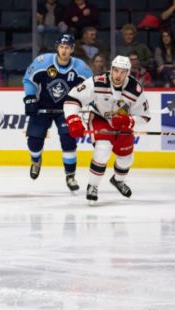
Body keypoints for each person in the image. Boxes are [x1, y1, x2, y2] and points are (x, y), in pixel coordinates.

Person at [63, 55, 151, 204]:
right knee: (103, 149)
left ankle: (118, 181)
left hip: (121, 124)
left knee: (126, 158)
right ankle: (93, 186)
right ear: (111, 69)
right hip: (99, 118)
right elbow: (72, 99)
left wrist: (129, 121)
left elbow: (145, 116)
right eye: (116, 70)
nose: (118, 75)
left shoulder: (135, 89)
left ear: (128, 72)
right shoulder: (97, 82)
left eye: (123, 72)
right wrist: (72, 120)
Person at [22, 34, 92, 192]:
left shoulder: (81, 68)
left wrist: (90, 104)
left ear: (72, 49)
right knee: (34, 141)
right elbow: (29, 79)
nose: (64, 50)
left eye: (67, 47)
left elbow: (91, 88)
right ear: (57, 48)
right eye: (62, 47)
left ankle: (70, 176)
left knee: (68, 140)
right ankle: (36, 160)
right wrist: (30, 97)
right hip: (42, 107)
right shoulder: (43, 62)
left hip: (66, 109)